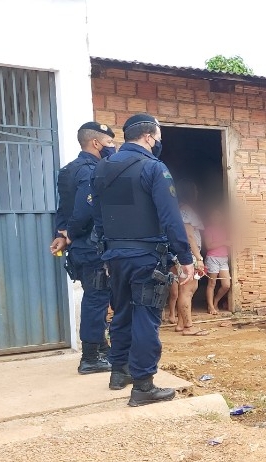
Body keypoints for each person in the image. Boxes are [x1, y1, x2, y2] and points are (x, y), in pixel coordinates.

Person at [92, 114, 194, 406]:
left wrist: (107, 250)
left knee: (122, 313)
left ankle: (118, 372)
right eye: (159, 136)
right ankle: (144, 386)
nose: (159, 141)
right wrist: (185, 257)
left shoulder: (103, 168)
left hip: (115, 256)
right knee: (146, 319)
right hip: (146, 257)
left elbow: (98, 216)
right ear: (149, 137)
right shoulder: (152, 168)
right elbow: (170, 217)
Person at [49, 122, 117, 374]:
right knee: (97, 297)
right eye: (109, 143)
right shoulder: (91, 170)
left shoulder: (68, 169)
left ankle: (101, 348)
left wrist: (61, 233)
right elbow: (83, 210)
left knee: (95, 295)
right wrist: (71, 233)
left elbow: (62, 208)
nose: (113, 148)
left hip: (80, 246)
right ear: (96, 143)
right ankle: (90, 357)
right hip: (90, 244)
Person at [167, 180, 206, 334]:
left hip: (183, 254)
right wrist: (198, 257)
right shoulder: (186, 210)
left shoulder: (179, 209)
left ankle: (181, 325)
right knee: (188, 290)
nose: (197, 193)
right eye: (195, 190)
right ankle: (188, 327)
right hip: (189, 255)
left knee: (186, 288)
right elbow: (189, 236)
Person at [203, 207, 232, 315]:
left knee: (226, 285)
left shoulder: (225, 229)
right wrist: (224, 242)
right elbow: (209, 245)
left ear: (222, 217)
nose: (216, 217)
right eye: (214, 215)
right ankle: (210, 307)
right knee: (212, 283)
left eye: (218, 215)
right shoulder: (209, 229)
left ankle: (215, 302)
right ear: (210, 218)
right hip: (212, 258)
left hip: (223, 258)